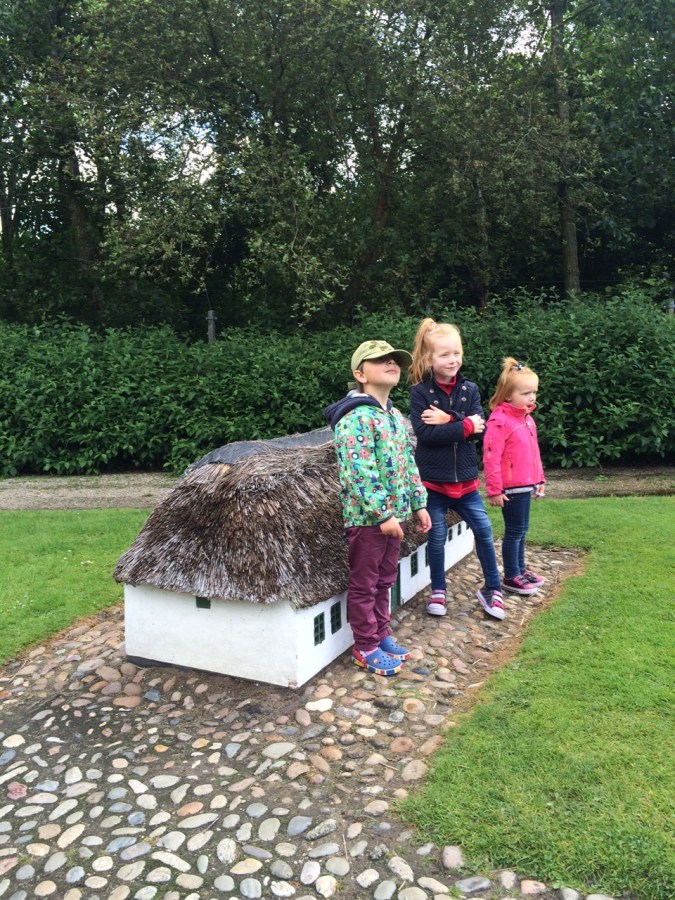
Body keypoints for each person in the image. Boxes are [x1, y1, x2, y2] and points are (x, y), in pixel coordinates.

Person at [324, 340, 431, 676]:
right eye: (380, 360)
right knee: (365, 583)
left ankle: (382, 634)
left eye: (394, 360)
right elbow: (358, 472)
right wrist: (383, 514)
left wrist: (418, 503)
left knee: (385, 579)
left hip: (395, 517)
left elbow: (408, 463)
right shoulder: (354, 418)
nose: (391, 363)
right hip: (369, 520)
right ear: (360, 374)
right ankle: (365, 645)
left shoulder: (394, 416)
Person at [409, 318, 505, 620]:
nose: (453, 360)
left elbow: (480, 429)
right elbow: (426, 434)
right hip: (433, 484)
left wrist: (449, 419)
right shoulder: (420, 393)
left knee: (484, 532)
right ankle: (438, 589)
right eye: (445, 355)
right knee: (436, 538)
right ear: (429, 359)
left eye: (457, 353)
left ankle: (493, 589)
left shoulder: (469, 389)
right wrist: (465, 424)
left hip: (465, 482)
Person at [483, 358, 546, 595]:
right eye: (526, 393)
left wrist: (540, 479)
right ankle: (511, 575)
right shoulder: (500, 421)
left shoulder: (527, 419)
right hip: (511, 488)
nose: (532, 397)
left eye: (534, 392)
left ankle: (520, 569)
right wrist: (494, 490)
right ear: (508, 395)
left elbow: (534, 453)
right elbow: (491, 456)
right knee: (514, 531)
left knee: (522, 529)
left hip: (526, 484)